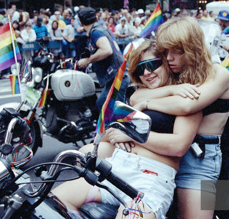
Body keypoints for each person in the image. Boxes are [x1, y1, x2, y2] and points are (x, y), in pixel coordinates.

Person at [52, 40, 203, 219]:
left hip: (150, 179)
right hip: (115, 170)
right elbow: (109, 135)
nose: (147, 73)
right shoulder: (137, 96)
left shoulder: (186, 97)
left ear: (166, 63)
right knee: (52, 204)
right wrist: (121, 132)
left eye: (152, 65)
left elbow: (178, 146)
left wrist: (131, 135)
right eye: (140, 69)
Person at [128, 16, 229, 219]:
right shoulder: (176, 76)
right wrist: (172, 90)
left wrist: (149, 103)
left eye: (177, 50)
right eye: (165, 51)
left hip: (198, 158)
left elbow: (186, 105)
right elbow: (135, 96)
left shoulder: (218, 74)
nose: (169, 57)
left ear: (192, 46)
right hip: (163, 151)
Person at [76, 7, 130, 110]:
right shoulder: (100, 29)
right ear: (96, 18)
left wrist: (88, 60)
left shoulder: (96, 32)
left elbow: (106, 50)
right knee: (101, 103)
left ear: (80, 22)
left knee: (110, 108)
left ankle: (117, 126)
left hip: (117, 76)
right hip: (116, 74)